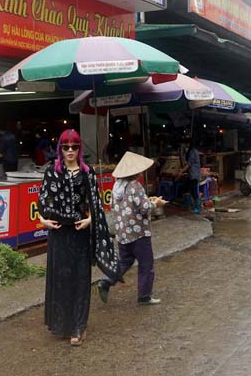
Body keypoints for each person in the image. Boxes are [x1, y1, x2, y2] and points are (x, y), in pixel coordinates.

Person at [38, 129, 119, 346]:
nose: (70, 151)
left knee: (80, 280)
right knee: (61, 279)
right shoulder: (52, 172)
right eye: (66, 147)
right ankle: (62, 324)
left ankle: (78, 326)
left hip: (79, 234)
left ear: (79, 149)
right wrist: (43, 220)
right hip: (58, 234)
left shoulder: (87, 173)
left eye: (74, 147)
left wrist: (90, 220)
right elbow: (43, 201)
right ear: (60, 149)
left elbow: (95, 204)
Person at [98, 151, 167, 306]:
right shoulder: (135, 185)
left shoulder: (117, 186)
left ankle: (106, 281)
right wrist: (156, 203)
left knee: (125, 261)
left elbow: (115, 206)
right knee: (146, 264)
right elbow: (144, 208)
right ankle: (144, 296)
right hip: (138, 233)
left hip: (122, 233)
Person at [182, 139, 202, 213]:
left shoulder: (193, 152)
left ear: (189, 144)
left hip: (194, 174)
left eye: (186, 144)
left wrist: (181, 171)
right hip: (191, 174)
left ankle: (198, 207)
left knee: (193, 191)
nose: (185, 145)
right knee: (186, 188)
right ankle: (187, 204)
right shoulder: (191, 151)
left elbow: (189, 164)